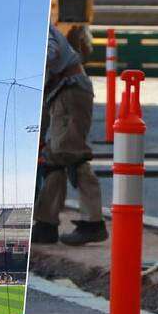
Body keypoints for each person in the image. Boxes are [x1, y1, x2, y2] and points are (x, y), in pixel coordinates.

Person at [32, 24, 107, 247]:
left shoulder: (32, 25)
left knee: (71, 154)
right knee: (53, 158)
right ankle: (46, 224)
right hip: (60, 93)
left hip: (70, 91)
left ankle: (93, 223)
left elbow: (50, 52)